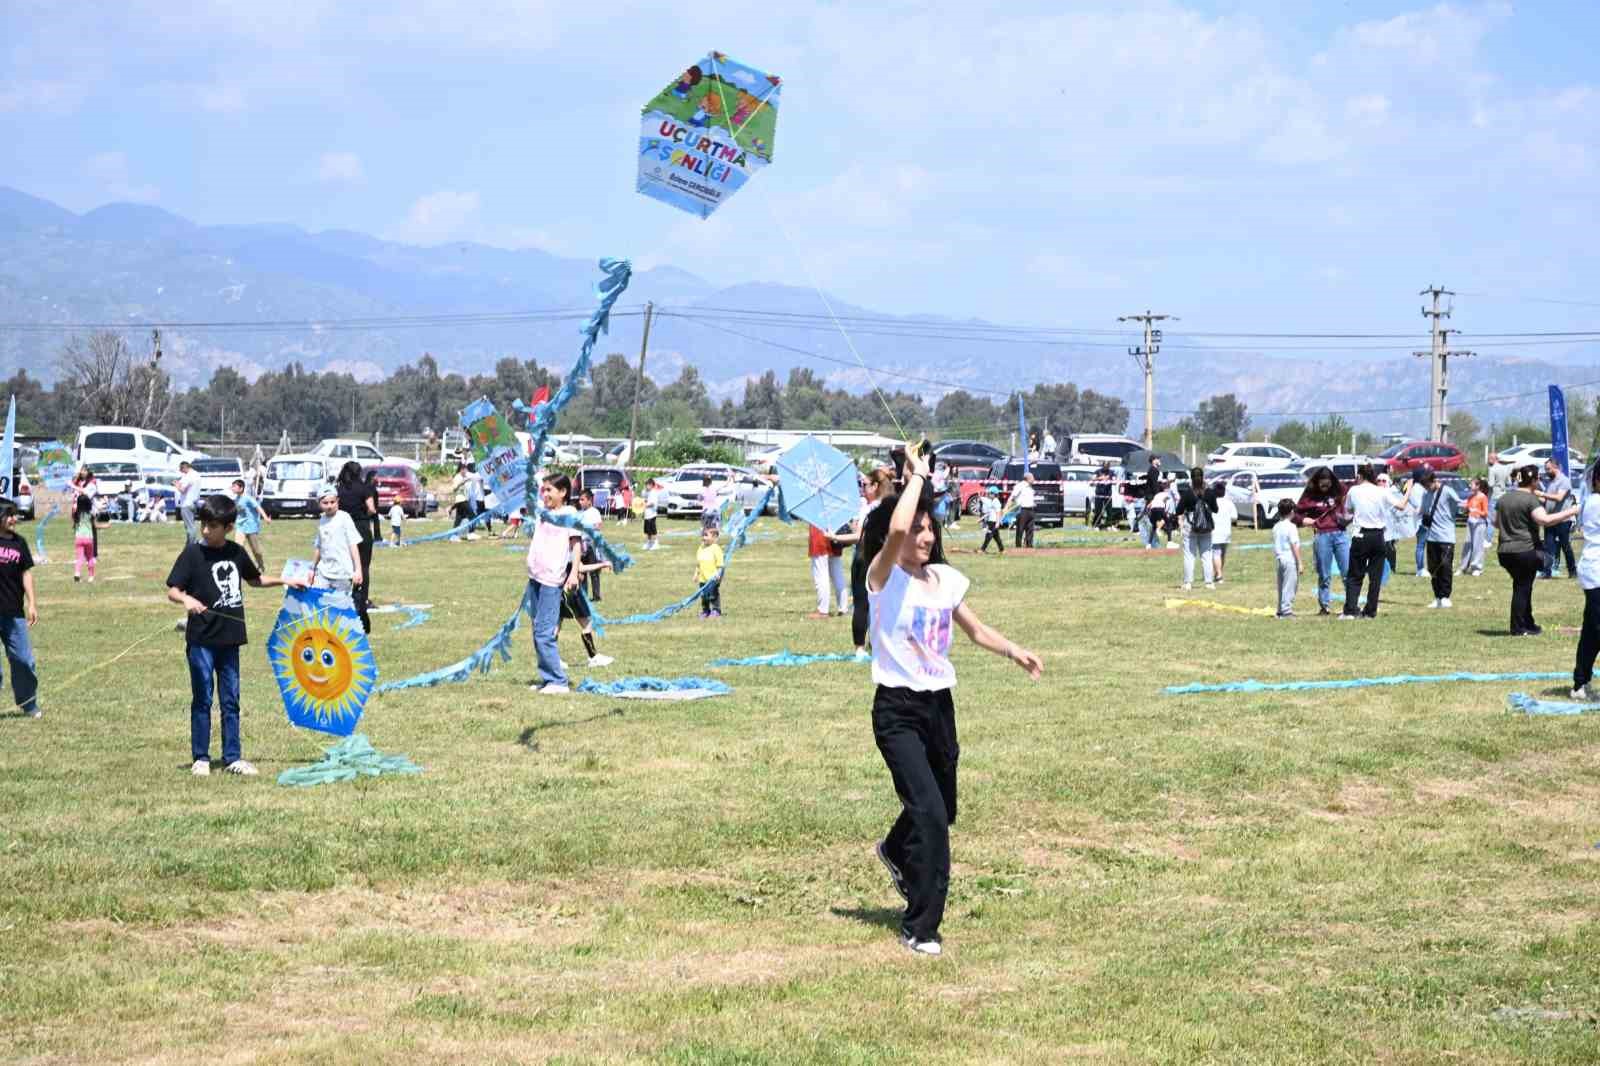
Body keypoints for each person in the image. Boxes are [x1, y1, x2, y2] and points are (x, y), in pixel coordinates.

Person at [862, 445, 1042, 957]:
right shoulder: (882, 577)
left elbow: (976, 629)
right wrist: (916, 476)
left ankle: (895, 850)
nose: (924, 536)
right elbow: (894, 531)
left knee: (941, 809)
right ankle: (920, 926)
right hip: (897, 711)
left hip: (940, 708)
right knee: (932, 818)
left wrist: (1014, 650)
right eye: (917, 528)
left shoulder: (943, 580)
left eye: (929, 529)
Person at [166, 494, 302, 775]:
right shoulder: (193, 553)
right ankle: (201, 757)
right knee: (203, 697)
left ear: (228, 527)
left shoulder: (236, 553)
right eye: (204, 524)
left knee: (231, 699)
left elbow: (255, 579)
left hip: (230, 639)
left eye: (212, 526)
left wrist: (286, 580)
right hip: (201, 640)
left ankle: (233, 757)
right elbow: (173, 589)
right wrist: (186, 600)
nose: (205, 530)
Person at [1495, 464, 1577, 637]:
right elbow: (1545, 520)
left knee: (1523, 586)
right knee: (1522, 588)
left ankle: (1529, 624)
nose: (1540, 480)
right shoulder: (1530, 500)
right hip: (1524, 550)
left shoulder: (1504, 498)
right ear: (1533, 481)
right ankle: (1518, 628)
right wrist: (1571, 511)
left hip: (1504, 551)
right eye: (1538, 478)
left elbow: (1495, 523)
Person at [527, 474, 584, 694]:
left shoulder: (569, 514)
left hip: (552, 580)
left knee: (544, 631)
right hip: (535, 578)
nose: (545, 494)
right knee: (536, 629)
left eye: (549, 490)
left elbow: (576, 544)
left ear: (563, 492)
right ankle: (548, 677)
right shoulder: (543, 513)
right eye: (544, 490)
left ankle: (559, 681)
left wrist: (574, 572)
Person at [836, 467, 894, 656]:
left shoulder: (869, 508)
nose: (862, 488)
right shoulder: (890, 505)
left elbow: (858, 537)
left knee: (861, 603)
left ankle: (859, 647)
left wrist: (834, 537)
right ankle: (879, 643)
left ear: (875, 486)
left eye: (865, 484)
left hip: (865, 559)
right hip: (885, 560)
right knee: (883, 604)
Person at [0, 501, 40, 717]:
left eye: (15, 515)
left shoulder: (19, 543)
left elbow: (26, 573)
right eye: (9, 515)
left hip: (14, 612)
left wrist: (32, 603)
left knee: (24, 660)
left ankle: (29, 704)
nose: (14, 519)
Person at [1294, 466, 1349, 617]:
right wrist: (1305, 520)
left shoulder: (1340, 489)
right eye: (1322, 485)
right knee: (1324, 574)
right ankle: (1324, 607)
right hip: (1322, 536)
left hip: (1341, 534)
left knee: (1347, 572)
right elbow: (1295, 514)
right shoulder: (1310, 495)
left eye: (1328, 485)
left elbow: (1353, 496)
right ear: (1317, 483)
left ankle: (1351, 604)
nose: (1325, 488)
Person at [1339, 463, 1389, 619]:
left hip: (1361, 536)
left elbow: (1347, 512)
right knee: (1375, 577)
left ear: (1360, 476)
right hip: (1379, 537)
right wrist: (1408, 491)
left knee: (1355, 575)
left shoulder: (1354, 490)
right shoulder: (1381, 491)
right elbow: (1400, 505)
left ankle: (1351, 610)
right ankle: (1370, 611)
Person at [1568, 463, 1600, 699]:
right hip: (1596, 571)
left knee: (1592, 630)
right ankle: (1580, 683)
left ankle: (1581, 682)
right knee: (1595, 630)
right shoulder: (1596, 502)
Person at [335, 461, 376, 632]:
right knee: (364, 567)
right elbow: (372, 509)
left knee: (346, 564)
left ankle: (345, 597)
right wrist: (363, 516)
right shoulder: (364, 488)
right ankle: (362, 600)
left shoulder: (339, 489)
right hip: (361, 528)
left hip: (343, 530)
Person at [1414, 469, 1461, 609]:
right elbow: (1422, 510)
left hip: (1446, 536)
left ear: (1434, 481)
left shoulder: (1447, 491)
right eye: (1425, 487)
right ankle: (1437, 597)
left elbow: (1460, 503)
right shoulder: (1426, 494)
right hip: (1432, 537)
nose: (1427, 488)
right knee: (1433, 568)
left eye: (1428, 485)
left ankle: (1445, 596)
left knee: (1445, 566)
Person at [312, 486, 364, 596]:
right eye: (325, 503)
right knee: (319, 604)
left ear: (338, 501)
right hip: (324, 573)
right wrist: (312, 568)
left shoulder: (344, 518)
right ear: (319, 504)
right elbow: (319, 547)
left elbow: (353, 545)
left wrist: (358, 570)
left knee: (339, 608)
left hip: (342, 574)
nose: (329, 506)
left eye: (332, 502)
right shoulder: (322, 520)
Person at [1173, 467, 1218, 591]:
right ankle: (1209, 583)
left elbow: (1178, 510)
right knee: (1206, 555)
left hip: (1190, 526)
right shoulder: (1209, 492)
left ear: (1191, 479)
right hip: (1206, 527)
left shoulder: (1188, 493)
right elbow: (1216, 509)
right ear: (1203, 477)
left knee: (1189, 555)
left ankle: (1188, 583)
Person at [1537, 458, 1576, 579]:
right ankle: (1546, 572)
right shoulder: (1551, 482)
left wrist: (1542, 494)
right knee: (1548, 547)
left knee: (1565, 546)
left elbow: (1559, 498)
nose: (1546, 471)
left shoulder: (1564, 481)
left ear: (1556, 467)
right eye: (1546, 469)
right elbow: (1547, 500)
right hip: (1549, 519)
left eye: (1548, 469)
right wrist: (1534, 495)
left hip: (1563, 520)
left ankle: (1573, 572)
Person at [807, 522, 847, 619]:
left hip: (819, 534)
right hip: (834, 534)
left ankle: (823, 610)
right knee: (838, 575)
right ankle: (843, 608)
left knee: (821, 575)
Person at [1271, 499, 1303, 619]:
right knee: (1290, 586)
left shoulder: (1276, 526)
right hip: (1289, 559)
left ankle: (1280, 610)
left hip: (1279, 559)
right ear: (1291, 511)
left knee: (1281, 586)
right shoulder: (1291, 527)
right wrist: (1299, 562)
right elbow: (1294, 545)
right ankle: (1286, 611)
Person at [230, 477, 270, 572]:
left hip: (251, 527)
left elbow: (258, 508)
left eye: (234, 486)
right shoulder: (236, 499)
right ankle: (238, 567)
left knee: (256, 550)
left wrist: (265, 518)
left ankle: (260, 565)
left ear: (241, 488)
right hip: (241, 527)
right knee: (238, 547)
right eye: (232, 486)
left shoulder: (248, 498)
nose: (232, 488)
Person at [576, 488, 605, 603]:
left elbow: (598, 526)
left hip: (591, 545)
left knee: (594, 572)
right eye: (580, 499)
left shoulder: (594, 512)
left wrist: (587, 527)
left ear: (590, 500)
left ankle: (596, 596)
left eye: (583, 499)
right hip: (582, 546)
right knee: (581, 571)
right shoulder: (581, 513)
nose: (580, 502)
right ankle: (584, 595)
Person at [1458, 478, 1489, 577]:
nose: (1470, 486)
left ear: (1478, 486)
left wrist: (1477, 511)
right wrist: (1464, 509)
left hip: (1479, 524)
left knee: (1477, 546)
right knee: (1467, 545)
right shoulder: (1470, 497)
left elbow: (1485, 513)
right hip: (1470, 522)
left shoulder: (1483, 497)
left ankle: (1476, 568)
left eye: (1472, 484)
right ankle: (1463, 567)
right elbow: (1467, 508)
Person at [1210, 480, 1238, 582]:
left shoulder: (1211, 503)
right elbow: (1234, 517)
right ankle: (1219, 573)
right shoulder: (1229, 503)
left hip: (1214, 532)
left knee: (1215, 553)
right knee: (1222, 553)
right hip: (1226, 531)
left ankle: (1219, 575)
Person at [696, 524, 724, 618]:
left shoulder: (716, 549)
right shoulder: (701, 548)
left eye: (706, 535)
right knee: (704, 596)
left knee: (713, 594)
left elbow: (720, 564)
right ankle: (706, 611)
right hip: (702, 579)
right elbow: (698, 563)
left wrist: (718, 574)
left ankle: (716, 610)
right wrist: (696, 574)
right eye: (703, 535)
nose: (703, 537)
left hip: (713, 578)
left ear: (714, 538)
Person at [1004, 472, 1037, 548]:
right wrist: (1006, 507)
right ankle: (1018, 547)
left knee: (1030, 530)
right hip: (1022, 511)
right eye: (1033, 478)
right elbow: (1012, 497)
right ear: (1028, 478)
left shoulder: (1030, 487)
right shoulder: (1020, 486)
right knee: (1020, 529)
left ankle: (1029, 546)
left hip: (1031, 510)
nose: (1034, 479)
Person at [174, 460, 202, 543]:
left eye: (181, 469)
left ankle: (192, 544)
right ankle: (190, 542)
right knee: (191, 524)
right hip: (194, 503)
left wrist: (176, 485)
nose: (180, 471)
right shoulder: (197, 475)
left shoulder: (189, 476)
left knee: (189, 526)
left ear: (185, 467)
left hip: (186, 503)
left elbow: (183, 490)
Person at [72, 493, 97, 583]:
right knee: (90, 557)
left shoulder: (76, 514)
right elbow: (95, 525)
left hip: (78, 538)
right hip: (88, 538)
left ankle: (77, 573)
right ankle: (91, 576)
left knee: (79, 558)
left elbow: (74, 525)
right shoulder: (91, 514)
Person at [978, 486, 1005, 555]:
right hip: (990, 521)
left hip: (994, 522)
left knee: (989, 535)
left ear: (994, 494)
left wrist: (998, 522)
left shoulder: (996, 502)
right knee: (996, 537)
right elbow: (989, 512)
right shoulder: (991, 501)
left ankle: (982, 549)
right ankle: (1002, 549)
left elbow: (998, 513)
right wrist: (981, 519)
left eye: (990, 493)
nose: (988, 494)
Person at [641, 478, 663, 551]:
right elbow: (648, 501)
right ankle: (649, 542)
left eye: (647, 484)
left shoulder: (654, 492)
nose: (646, 486)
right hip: (647, 515)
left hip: (652, 514)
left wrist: (644, 505)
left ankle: (656, 543)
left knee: (653, 530)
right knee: (647, 530)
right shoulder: (649, 492)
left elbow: (652, 504)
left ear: (651, 485)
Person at [1090, 465, 1114, 529]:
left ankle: (1109, 525)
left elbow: (1115, 481)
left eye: (1107, 468)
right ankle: (1096, 525)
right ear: (1102, 467)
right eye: (1105, 467)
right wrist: (1100, 478)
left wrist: (1109, 478)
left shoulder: (1111, 472)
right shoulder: (1097, 471)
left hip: (1108, 494)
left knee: (1109, 511)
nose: (1106, 469)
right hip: (1099, 493)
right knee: (1098, 511)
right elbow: (1092, 480)